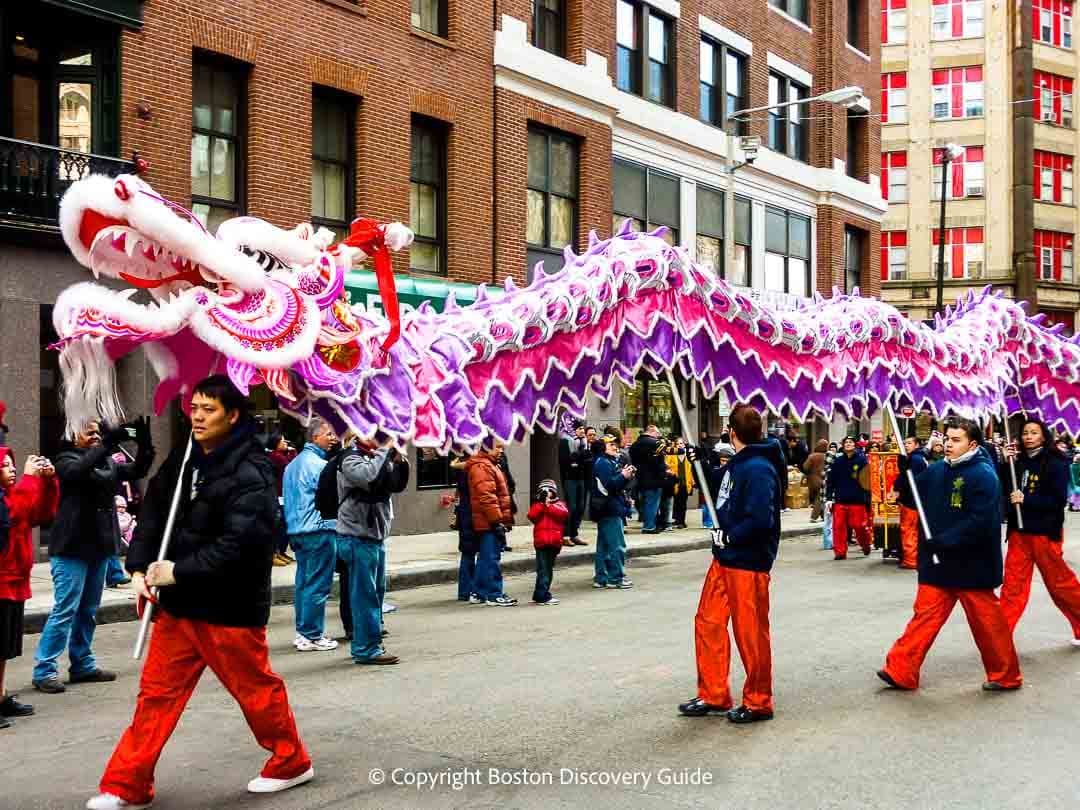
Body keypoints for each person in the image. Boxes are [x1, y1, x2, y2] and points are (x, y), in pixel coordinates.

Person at [88, 375, 312, 809]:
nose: (198, 416)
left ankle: (291, 760)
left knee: (256, 693)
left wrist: (177, 571)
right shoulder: (185, 456)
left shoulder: (254, 469)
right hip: (179, 607)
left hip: (228, 606)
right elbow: (154, 511)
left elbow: (242, 544)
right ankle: (126, 783)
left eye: (208, 409)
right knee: (155, 696)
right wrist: (138, 566)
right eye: (193, 408)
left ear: (233, 415)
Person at [877, 418, 1022, 693]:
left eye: (956, 440)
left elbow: (979, 522)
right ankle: (901, 670)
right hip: (938, 564)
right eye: (947, 439)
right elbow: (911, 498)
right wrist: (904, 473)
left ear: (973, 444)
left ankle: (1006, 675)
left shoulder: (984, 475)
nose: (948, 445)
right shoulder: (936, 470)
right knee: (923, 618)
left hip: (972, 565)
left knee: (989, 626)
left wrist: (944, 541)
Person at [32, 417, 153, 695]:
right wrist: (109, 443)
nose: (97, 436)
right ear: (73, 436)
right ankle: (44, 669)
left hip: (99, 546)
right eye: (90, 432)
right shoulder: (65, 460)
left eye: (98, 431)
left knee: (88, 610)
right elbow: (78, 472)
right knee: (66, 609)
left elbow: (137, 470)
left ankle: (82, 663)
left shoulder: (106, 461)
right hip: (71, 547)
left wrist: (143, 442)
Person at [680, 404, 780, 724]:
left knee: (750, 633)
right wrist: (701, 461)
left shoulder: (760, 469)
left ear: (732, 433)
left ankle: (758, 700)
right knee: (708, 621)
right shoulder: (738, 464)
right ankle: (713, 692)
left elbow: (761, 519)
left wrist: (731, 536)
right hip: (724, 560)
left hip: (748, 563)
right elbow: (716, 487)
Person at [998, 419, 1080, 646]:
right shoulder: (1017, 460)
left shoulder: (1057, 461)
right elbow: (1004, 488)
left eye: (1034, 432)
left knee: (1060, 586)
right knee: (1012, 587)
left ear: (1044, 436)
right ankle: (999, 638)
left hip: (1045, 533)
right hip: (1019, 533)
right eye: (1025, 433)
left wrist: (1027, 500)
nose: (1028, 436)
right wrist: (1006, 463)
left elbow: (1057, 501)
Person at [336, 440, 410, 664]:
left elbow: (395, 484)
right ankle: (366, 649)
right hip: (357, 537)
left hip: (373, 537)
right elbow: (369, 477)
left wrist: (399, 461)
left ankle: (371, 640)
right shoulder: (349, 458)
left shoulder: (375, 456)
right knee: (364, 596)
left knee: (376, 592)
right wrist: (384, 450)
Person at [0, 448, 59, 730]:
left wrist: (47, 481)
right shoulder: (7, 499)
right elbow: (14, 513)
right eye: (5, 465)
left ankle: (0, 696)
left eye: (13, 465)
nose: (11, 469)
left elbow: (42, 512)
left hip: (15, 578)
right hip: (2, 579)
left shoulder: (15, 492)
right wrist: (27, 478)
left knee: (5, 648)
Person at [283, 418, 340, 653]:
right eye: (328, 434)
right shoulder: (318, 465)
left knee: (304, 583)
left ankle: (303, 632)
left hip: (297, 531)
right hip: (319, 529)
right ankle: (312, 635)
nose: (332, 439)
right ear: (315, 437)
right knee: (317, 585)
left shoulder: (292, 465)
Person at [467, 445, 516, 606]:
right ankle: (494, 594)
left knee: (485, 557)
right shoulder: (483, 466)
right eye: (497, 447)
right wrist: (497, 522)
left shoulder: (488, 464)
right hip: (488, 521)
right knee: (491, 558)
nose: (501, 450)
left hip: (487, 520)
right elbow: (487, 497)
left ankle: (479, 592)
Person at [591, 435, 635, 589]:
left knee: (604, 546)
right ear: (603, 447)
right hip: (609, 509)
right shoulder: (603, 462)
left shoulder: (605, 461)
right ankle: (616, 578)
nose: (615, 447)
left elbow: (611, 485)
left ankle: (601, 578)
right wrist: (623, 476)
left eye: (615, 444)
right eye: (611, 444)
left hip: (606, 508)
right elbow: (610, 486)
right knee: (617, 546)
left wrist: (623, 476)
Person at [824, 436, 871, 560]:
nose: (848, 444)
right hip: (840, 500)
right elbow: (830, 481)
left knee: (859, 526)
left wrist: (868, 499)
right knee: (838, 527)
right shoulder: (838, 462)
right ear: (843, 446)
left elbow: (868, 481)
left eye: (851, 442)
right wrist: (829, 498)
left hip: (857, 500)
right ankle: (840, 552)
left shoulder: (862, 461)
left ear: (855, 445)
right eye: (846, 442)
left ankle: (866, 544)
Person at [888, 436, 929, 571]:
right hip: (915, 500)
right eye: (905, 443)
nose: (906, 445)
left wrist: (900, 491)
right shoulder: (916, 458)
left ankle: (911, 560)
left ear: (916, 444)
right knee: (913, 530)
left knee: (909, 530)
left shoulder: (915, 459)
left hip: (912, 501)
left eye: (909, 443)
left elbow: (908, 479)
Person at [527, 479, 569, 605]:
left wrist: (549, 505)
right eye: (544, 492)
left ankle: (539, 593)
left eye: (550, 491)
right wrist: (542, 504)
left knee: (548, 570)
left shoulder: (559, 505)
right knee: (543, 570)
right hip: (541, 543)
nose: (548, 494)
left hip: (554, 543)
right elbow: (532, 516)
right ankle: (542, 595)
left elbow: (563, 514)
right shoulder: (537, 505)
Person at [451, 454, 479, 603]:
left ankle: (465, 591)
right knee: (474, 553)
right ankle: (473, 590)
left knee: (467, 553)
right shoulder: (473, 468)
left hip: (465, 514)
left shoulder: (461, 465)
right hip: (472, 514)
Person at [558, 421, 590, 547]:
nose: (582, 431)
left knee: (580, 507)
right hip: (570, 479)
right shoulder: (566, 441)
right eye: (580, 428)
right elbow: (566, 461)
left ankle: (574, 534)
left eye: (583, 428)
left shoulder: (584, 442)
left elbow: (585, 459)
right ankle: (565, 535)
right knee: (571, 507)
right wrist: (580, 457)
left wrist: (580, 458)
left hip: (581, 478)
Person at [268, 433, 298, 566]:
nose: (286, 443)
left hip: (284, 495)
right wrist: (293, 452)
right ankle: (275, 553)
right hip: (278, 495)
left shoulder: (282, 455)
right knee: (280, 526)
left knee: (284, 525)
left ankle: (281, 551)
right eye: (282, 441)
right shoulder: (275, 456)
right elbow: (291, 467)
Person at [629, 425, 665, 533]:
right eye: (657, 433)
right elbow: (666, 454)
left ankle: (647, 523)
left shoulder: (635, 444)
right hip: (654, 478)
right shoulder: (654, 443)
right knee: (652, 502)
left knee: (645, 502)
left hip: (640, 477)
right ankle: (649, 526)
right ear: (652, 431)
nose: (658, 436)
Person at [665, 437, 694, 530]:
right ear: (675, 446)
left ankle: (682, 521)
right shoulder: (671, 456)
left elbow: (692, 470)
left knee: (683, 503)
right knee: (676, 503)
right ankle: (677, 519)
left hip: (685, 483)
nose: (680, 445)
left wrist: (693, 481)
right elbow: (667, 467)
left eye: (682, 444)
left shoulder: (688, 456)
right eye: (678, 444)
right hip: (674, 483)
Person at [802, 440, 829, 523]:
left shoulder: (812, 456)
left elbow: (805, 467)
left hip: (812, 481)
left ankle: (818, 516)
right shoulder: (827, 456)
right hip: (823, 480)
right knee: (820, 498)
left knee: (817, 498)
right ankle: (816, 516)